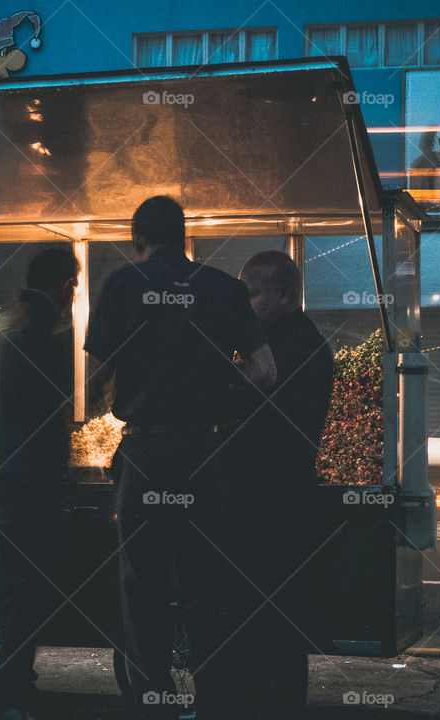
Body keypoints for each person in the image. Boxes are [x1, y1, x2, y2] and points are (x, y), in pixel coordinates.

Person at [85, 196, 275, 720]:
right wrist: (217, 400)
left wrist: (119, 396)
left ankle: (155, 704)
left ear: (138, 241)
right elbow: (264, 371)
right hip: (204, 453)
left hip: (145, 452)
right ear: (185, 237)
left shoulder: (122, 287)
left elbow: (92, 383)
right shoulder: (225, 290)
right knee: (208, 587)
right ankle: (213, 704)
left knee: (140, 590)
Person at [0, 247, 78, 720]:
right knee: (28, 587)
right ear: (64, 286)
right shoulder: (44, 328)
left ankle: (17, 684)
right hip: (29, 476)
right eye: (73, 288)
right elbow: (54, 410)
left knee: (18, 583)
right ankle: (5, 691)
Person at [231, 250, 334, 720]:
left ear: (285, 293)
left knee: (265, 627)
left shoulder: (287, 349)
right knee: (278, 628)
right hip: (284, 499)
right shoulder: (297, 341)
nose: (245, 305)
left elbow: (256, 428)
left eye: (251, 294)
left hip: (270, 504)